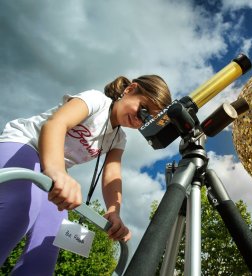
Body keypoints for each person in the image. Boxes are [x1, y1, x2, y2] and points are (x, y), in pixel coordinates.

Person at [0, 75, 172, 275]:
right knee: (20, 210)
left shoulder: (118, 139)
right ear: (130, 89)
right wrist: (57, 171)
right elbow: (56, 124)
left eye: (148, 120)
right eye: (143, 109)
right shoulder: (96, 100)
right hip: (24, 144)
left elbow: (112, 174)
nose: (140, 119)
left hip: (51, 171)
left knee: (50, 235)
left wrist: (113, 211)